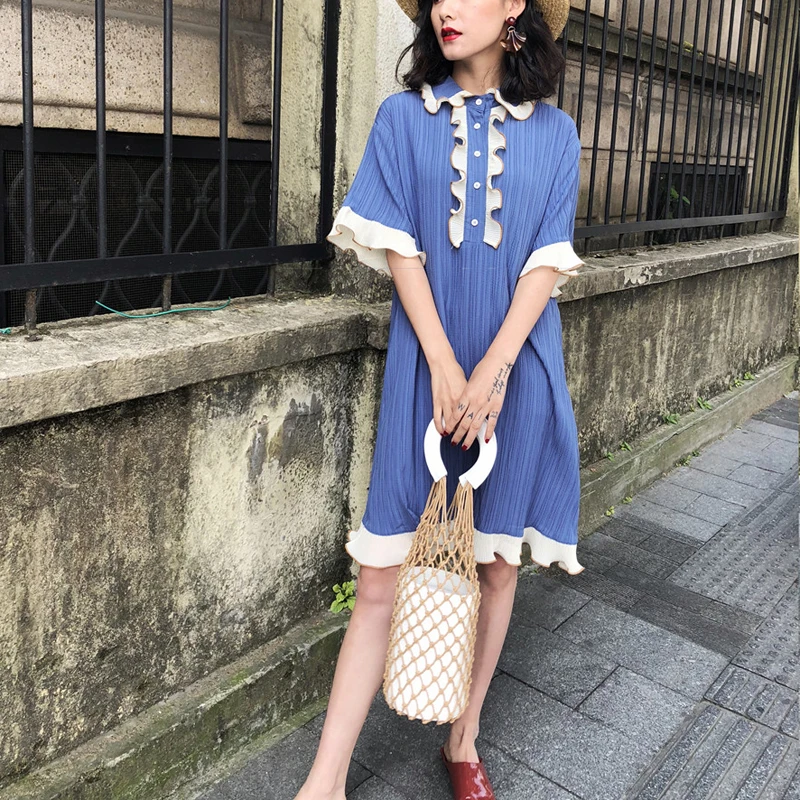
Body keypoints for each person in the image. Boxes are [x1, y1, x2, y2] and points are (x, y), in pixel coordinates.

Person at [297, 1, 585, 798]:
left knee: (495, 568)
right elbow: (401, 250)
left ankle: (464, 738)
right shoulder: (402, 119)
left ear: (515, 6)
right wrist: (445, 365)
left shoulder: (557, 134)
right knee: (380, 575)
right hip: (424, 376)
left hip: (517, 373)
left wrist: (493, 369)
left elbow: (546, 262)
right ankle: (324, 781)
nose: (446, 8)